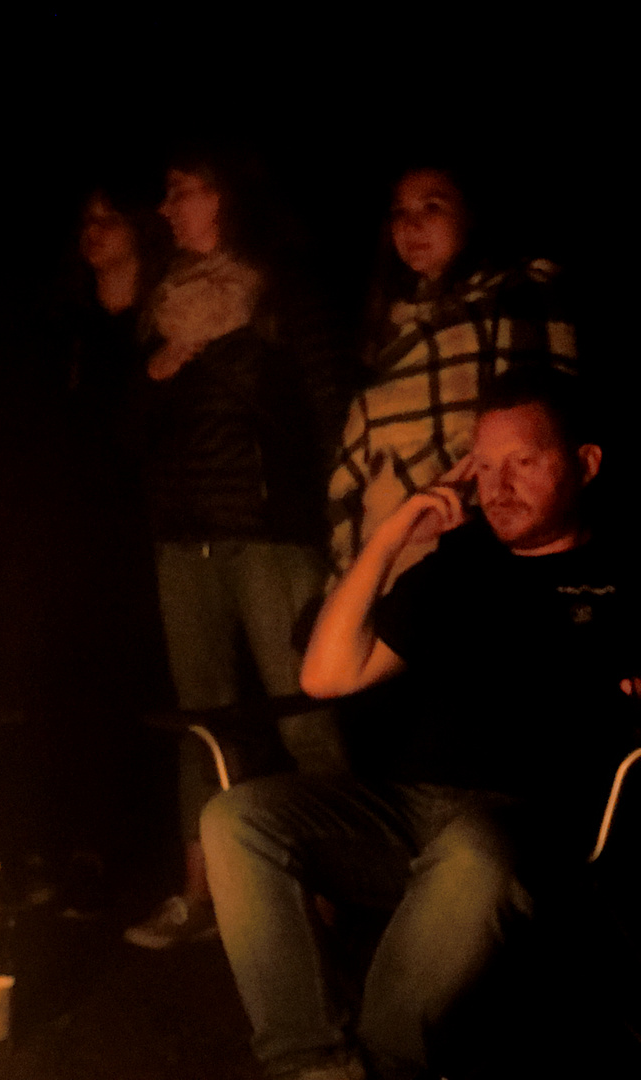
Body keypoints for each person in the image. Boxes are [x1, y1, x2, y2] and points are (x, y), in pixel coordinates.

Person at [201, 370, 640, 1080]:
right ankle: (314, 1066)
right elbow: (326, 677)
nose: (497, 486)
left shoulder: (624, 575)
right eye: (483, 465)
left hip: (531, 831)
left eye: (523, 462)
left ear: (585, 463)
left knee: (475, 846)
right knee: (238, 816)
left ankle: (381, 1064)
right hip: (407, 812)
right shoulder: (460, 567)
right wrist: (391, 537)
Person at [123, 151, 350, 950]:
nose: (166, 208)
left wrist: (339, 520)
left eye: (182, 191)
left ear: (226, 197)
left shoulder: (282, 290)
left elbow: (329, 407)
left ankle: (340, 895)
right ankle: (202, 899)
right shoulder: (162, 308)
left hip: (271, 533)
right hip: (185, 540)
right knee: (204, 723)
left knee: (305, 717)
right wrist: (153, 380)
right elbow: (138, 439)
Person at [328, 166, 577, 584]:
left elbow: (546, 427)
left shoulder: (518, 296)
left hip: (470, 541)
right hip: (387, 540)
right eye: (399, 212)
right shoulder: (387, 329)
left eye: (433, 207)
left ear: (471, 214)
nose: (411, 225)